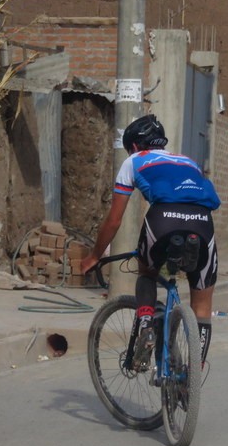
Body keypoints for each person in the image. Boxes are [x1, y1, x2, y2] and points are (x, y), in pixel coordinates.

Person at [81, 114, 220, 370]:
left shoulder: (134, 161)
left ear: (133, 146)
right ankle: (194, 373)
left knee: (146, 273)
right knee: (202, 304)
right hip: (203, 223)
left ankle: (146, 323)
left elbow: (114, 220)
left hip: (162, 220)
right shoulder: (187, 161)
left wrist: (94, 255)